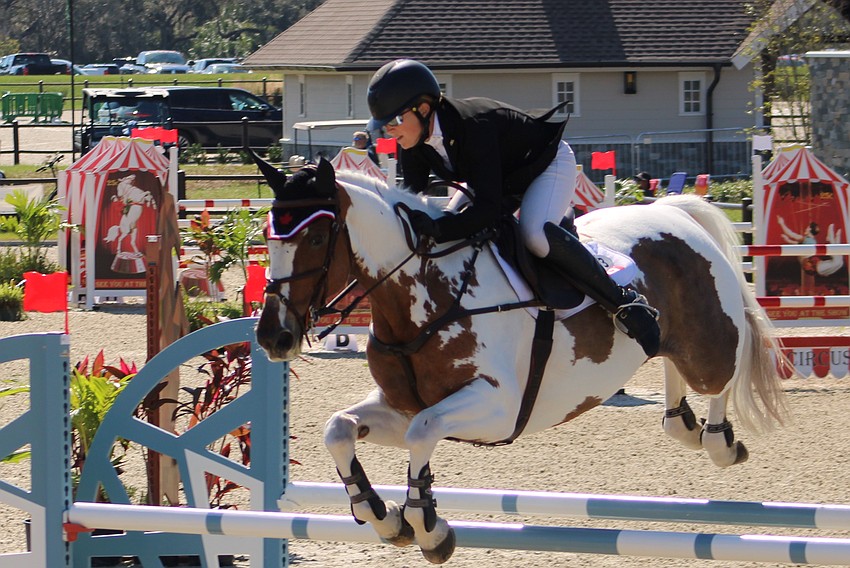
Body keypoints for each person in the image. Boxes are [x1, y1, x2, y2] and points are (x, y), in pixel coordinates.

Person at [366, 59, 660, 357]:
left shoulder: (473, 126)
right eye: (385, 126)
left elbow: (488, 210)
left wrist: (439, 228)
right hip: (497, 178)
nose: (389, 131)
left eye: (394, 122)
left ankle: (624, 303)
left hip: (545, 164)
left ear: (424, 109)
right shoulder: (412, 143)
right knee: (454, 227)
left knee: (534, 235)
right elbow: (409, 201)